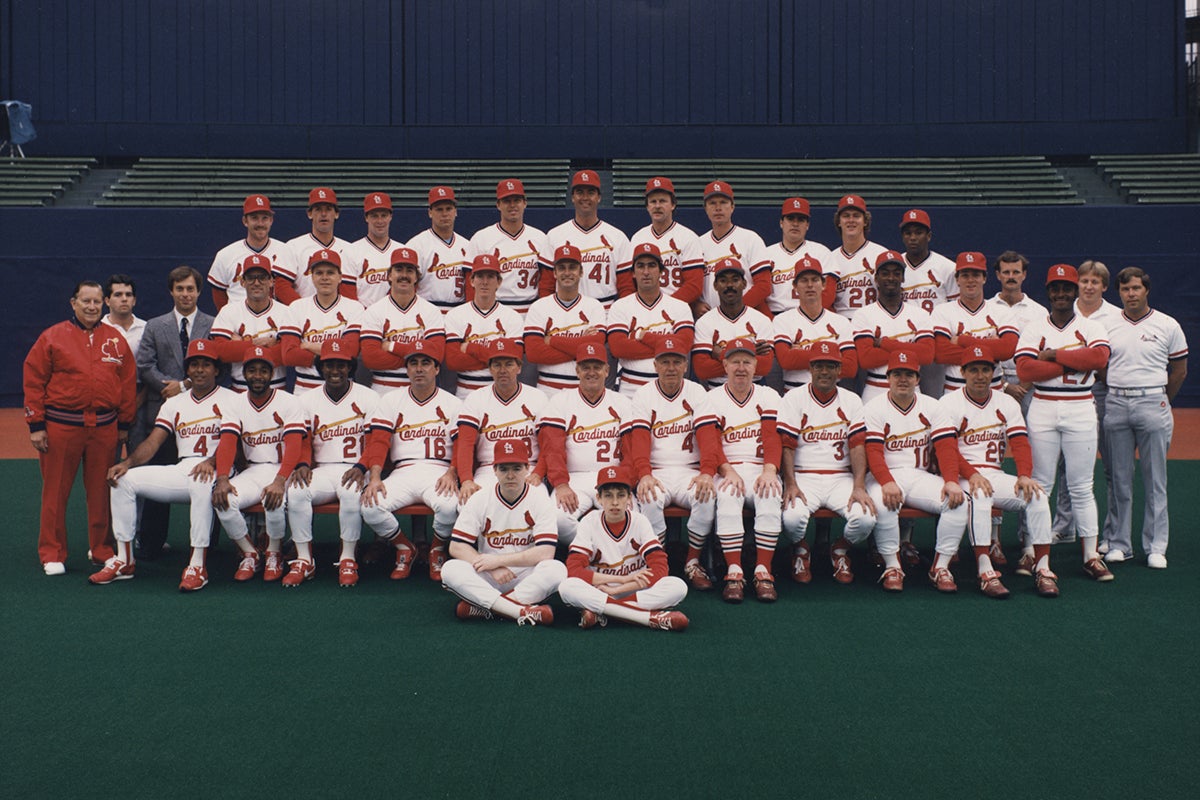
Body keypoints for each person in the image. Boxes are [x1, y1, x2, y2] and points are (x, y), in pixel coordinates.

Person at [90, 339, 237, 591]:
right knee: (122, 481)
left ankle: (197, 565)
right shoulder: (174, 402)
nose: (200, 370)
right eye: (194, 365)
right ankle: (125, 560)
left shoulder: (233, 399)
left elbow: (239, 444)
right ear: (187, 370)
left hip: (221, 468)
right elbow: (153, 442)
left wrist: (212, 461)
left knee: (201, 481)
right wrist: (128, 463)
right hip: (184, 467)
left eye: (206, 365)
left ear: (216, 370)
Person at [24, 280, 137, 575]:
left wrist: (124, 423)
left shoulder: (115, 339)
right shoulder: (52, 337)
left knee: (102, 492)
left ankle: (101, 550)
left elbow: (127, 383)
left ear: (104, 304)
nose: (91, 306)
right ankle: (52, 553)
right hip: (61, 426)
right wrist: (36, 424)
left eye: (97, 301)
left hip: (104, 427)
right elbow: (34, 380)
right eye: (85, 301)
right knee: (55, 492)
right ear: (73, 303)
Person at [1014, 264, 1113, 582]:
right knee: (1040, 484)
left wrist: (1053, 355)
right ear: (1048, 291)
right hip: (1043, 406)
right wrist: (1073, 361)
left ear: (1075, 291)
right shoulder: (1034, 327)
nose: (1061, 293)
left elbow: (1098, 360)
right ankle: (1032, 550)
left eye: (1066, 288)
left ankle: (1090, 555)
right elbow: (1026, 371)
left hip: (1080, 405)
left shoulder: (1092, 326)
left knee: (1082, 486)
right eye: (1055, 288)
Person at [938, 345, 1058, 598]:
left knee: (1038, 495)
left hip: (994, 474)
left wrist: (1024, 475)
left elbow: (1020, 443)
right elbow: (946, 449)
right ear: (963, 372)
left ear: (993, 373)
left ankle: (1043, 568)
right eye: (974, 370)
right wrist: (971, 474)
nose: (980, 376)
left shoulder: (1006, 402)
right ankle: (985, 570)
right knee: (980, 496)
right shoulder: (948, 402)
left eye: (985, 370)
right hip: (961, 476)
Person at [861, 351, 968, 592]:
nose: (903, 379)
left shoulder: (932, 406)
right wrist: (886, 481)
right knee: (884, 502)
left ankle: (940, 567)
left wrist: (951, 480)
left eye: (909, 374)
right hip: (882, 476)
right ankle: (892, 567)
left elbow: (946, 448)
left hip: (919, 476)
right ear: (888, 377)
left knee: (958, 501)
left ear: (917, 379)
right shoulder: (873, 407)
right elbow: (873, 451)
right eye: (897, 374)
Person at [1102, 267, 1188, 568]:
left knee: (1155, 480)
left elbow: (1179, 371)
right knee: (1120, 480)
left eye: (1136, 288)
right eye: (1125, 289)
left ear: (1146, 290)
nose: (1131, 294)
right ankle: (1119, 544)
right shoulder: (1107, 325)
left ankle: (1156, 547)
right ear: (1119, 292)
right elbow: (1101, 367)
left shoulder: (1167, 324)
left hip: (1153, 401)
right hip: (1116, 403)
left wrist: (1161, 399)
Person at [361, 341, 462, 582]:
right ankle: (405, 547)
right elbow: (379, 442)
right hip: (403, 471)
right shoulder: (391, 400)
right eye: (413, 363)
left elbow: (462, 445)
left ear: (437, 369)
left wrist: (452, 473)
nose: (419, 369)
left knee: (450, 507)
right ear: (406, 369)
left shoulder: (453, 403)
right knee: (369, 506)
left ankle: (437, 549)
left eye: (426, 363)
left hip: (438, 471)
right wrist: (374, 477)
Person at [777, 342, 876, 585]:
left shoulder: (851, 400)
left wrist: (859, 485)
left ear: (839, 370)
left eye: (830, 366)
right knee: (791, 519)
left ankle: (840, 549)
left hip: (840, 477)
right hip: (803, 476)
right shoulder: (794, 398)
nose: (824, 371)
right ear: (810, 369)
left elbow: (857, 445)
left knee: (866, 518)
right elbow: (787, 445)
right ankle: (800, 549)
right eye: (819, 366)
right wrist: (790, 483)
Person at [283, 340, 380, 587]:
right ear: (320, 368)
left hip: (356, 467)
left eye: (341, 365)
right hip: (324, 469)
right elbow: (304, 440)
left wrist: (361, 467)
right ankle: (304, 559)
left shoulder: (369, 396)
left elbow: (375, 442)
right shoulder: (306, 399)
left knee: (350, 493)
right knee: (297, 490)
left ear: (350, 367)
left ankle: (347, 558)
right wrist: (303, 464)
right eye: (329, 365)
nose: (335, 370)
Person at [134, 266, 215, 558]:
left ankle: (210, 545)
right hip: (164, 413)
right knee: (160, 477)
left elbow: (219, 364)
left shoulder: (213, 324)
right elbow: (145, 365)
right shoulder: (155, 326)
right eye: (179, 289)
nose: (185, 294)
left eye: (190, 289)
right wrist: (168, 387)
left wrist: (184, 385)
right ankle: (151, 542)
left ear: (199, 291)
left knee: (209, 478)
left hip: (204, 416)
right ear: (171, 291)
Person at [628, 337, 722, 589]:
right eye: (665, 362)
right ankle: (657, 564)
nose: (671, 368)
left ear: (685, 365)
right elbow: (639, 441)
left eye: (677, 362)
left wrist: (707, 472)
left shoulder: (696, 392)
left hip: (689, 471)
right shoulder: (644, 394)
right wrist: (644, 474)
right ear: (655, 365)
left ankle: (692, 561)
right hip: (656, 471)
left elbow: (708, 438)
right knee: (649, 497)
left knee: (706, 496)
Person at [441, 439, 566, 625]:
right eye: (504, 469)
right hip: (489, 574)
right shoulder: (480, 498)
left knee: (557, 569)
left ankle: (488, 608)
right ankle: (520, 611)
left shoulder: (539, 499)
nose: (510, 475)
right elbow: (457, 546)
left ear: (527, 469)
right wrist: (493, 567)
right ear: (494, 470)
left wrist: (499, 561)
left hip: (525, 574)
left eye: (516, 468)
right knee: (450, 569)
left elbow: (546, 552)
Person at [211, 346, 305, 582]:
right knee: (223, 500)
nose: (258, 376)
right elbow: (227, 442)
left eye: (263, 370)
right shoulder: (235, 403)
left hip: (281, 469)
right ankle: (250, 553)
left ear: (272, 374)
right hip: (253, 470)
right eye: (252, 370)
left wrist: (280, 480)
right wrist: (222, 478)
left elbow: (294, 445)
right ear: (244, 373)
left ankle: (274, 553)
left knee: (273, 499)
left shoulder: (289, 401)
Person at [558, 465, 689, 631]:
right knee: (567, 587)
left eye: (621, 495)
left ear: (629, 498)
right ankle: (647, 618)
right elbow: (574, 569)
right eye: (608, 495)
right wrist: (623, 579)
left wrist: (620, 589)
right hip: (600, 588)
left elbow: (660, 568)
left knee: (678, 586)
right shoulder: (589, 522)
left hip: (632, 589)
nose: (615, 502)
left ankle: (604, 611)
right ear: (599, 498)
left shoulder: (639, 521)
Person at [1053, 259, 1123, 546]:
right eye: (1084, 281)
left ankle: (1112, 533)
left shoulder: (1116, 316)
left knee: (1111, 465)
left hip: (1104, 391)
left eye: (1095, 281)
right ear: (1076, 285)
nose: (1089, 286)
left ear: (1104, 286)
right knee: (1066, 464)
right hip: (1067, 392)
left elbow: (1105, 359)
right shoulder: (1062, 311)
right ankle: (1064, 526)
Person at [708, 339, 784, 603]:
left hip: (761, 468)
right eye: (735, 362)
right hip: (727, 469)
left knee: (770, 494)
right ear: (725, 365)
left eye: (747, 362)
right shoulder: (712, 398)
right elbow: (711, 443)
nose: (741, 368)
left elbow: (773, 438)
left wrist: (770, 470)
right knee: (728, 495)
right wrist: (726, 470)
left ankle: (763, 570)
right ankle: (734, 571)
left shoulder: (768, 395)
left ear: (755, 366)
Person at [537, 342, 634, 545]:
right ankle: (595, 549)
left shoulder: (622, 402)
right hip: (574, 479)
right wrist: (561, 485)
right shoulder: (561, 401)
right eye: (585, 367)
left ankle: (603, 554)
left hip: (613, 479)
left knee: (633, 518)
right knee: (558, 520)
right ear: (577, 370)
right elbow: (552, 450)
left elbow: (631, 452)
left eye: (597, 367)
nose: (591, 372)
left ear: (607, 370)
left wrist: (625, 484)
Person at [454, 338, 549, 502]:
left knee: (541, 505)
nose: (503, 370)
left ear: (519, 367)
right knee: (466, 504)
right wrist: (466, 480)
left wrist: (538, 473)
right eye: (497, 365)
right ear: (490, 368)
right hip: (488, 469)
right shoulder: (476, 398)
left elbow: (549, 444)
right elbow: (465, 444)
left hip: (527, 468)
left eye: (509, 364)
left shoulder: (538, 397)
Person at [607, 242, 695, 397]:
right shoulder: (620, 306)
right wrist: (669, 346)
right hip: (630, 389)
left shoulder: (680, 306)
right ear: (633, 273)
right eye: (640, 266)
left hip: (671, 389)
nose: (646, 272)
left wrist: (644, 337)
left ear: (661, 271)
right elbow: (618, 348)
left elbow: (685, 344)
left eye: (652, 266)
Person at [358, 246, 446, 391]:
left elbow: (437, 355)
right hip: (383, 388)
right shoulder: (374, 311)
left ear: (416, 277)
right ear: (389, 275)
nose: (404, 275)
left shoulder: (431, 311)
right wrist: (420, 359)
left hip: (420, 389)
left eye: (409, 271)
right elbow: (370, 358)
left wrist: (392, 347)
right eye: (399, 270)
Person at [930, 251, 1017, 395]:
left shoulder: (1002, 311)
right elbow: (941, 353)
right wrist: (992, 349)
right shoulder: (942, 311)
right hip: (955, 392)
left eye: (976, 275)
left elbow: (1007, 349)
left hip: (994, 391)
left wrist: (962, 341)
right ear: (957, 279)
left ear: (984, 278)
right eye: (965, 275)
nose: (970, 280)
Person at [852, 251, 935, 402]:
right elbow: (866, 359)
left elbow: (926, 355)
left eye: (896, 273)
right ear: (876, 278)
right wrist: (910, 350)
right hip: (876, 388)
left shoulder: (920, 314)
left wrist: (884, 344)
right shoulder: (863, 314)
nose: (891, 278)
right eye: (885, 273)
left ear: (903, 278)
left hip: (912, 389)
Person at [279, 249, 365, 393]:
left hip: (344, 389)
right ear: (312, 277)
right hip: (305, 388)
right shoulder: (297, 307)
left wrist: (308, 346)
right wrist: (336, 354)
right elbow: (289, 355)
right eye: (319, 273)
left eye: (330, 273)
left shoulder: (354, 307)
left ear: (340, 277)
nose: (325, 278)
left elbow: (351, 352)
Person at [523, 244, 607, 391]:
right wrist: (581, 347)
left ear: (581, 272)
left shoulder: (594, 306)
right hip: (548, 388)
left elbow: (597, 344)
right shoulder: (539, 306)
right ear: (554, 273)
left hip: (584, 389)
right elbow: (533, 353)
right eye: (562, 268)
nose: (567, 273)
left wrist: (552, 340)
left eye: (572, 268)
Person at [443, 253, 524, 398]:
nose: (485, 282)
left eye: (490, 277)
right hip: (465, 393)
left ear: (499, 282)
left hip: (502, 392)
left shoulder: (512, 317)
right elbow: (453, 361)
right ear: (472, 280)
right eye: (480, 276)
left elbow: (515, 359)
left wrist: (471, 348)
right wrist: (499, 360)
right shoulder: (455, 315)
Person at [544, 170, 629, 309]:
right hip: (566, 309)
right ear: (572, 197)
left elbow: (626, 287)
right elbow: (546, 285)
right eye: (580, 192)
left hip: (606, 309)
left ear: (599, 197)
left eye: (590, 192)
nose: (585, 197)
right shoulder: (554, 235)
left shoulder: (617, 237)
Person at [772, 255, 857, 392]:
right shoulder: (782, 320)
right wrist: (833, 356)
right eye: (804, 280)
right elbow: (786, 361)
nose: (810, 285)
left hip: (831, 393)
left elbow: (851, 367)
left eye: (815, 280)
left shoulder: (841, 322)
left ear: (823, 284)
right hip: (794, 392)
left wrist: (799, 354)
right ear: (795, 286)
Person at [208, 254, 292, 392]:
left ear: (271, 281)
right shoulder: (229, 311)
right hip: (239, 391)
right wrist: (256, 344)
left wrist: (240, 345)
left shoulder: (286, 312)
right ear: (242, 282)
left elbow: (288, 353)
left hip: (277, 390)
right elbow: (219, 351)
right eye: (251, 278)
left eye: (262, 277)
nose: (257, 283)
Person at [467, 179, 551, 315]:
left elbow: (547, 282)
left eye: (517, 200)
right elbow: (470, 283)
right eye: (507, 201)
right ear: (498, 205)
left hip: (531, 310)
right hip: (495, 309)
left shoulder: (540, 238)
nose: (512, 205)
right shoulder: (481, 238)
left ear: (525, 203)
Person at [618, 176, 704, 303]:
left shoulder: (688, 237)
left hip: (677, 308)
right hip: (644, 307)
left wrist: (665, 307)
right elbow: (629, 282)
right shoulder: (638, 238)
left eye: (663, 201)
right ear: (647, 206)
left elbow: (694, 286)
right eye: (653, 201)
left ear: (673, 205)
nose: (657, 206)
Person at [691, 258, 775, 388]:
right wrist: (751, 353)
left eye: (735, 280)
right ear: (715, 285)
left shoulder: (761, 320)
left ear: (744, 283)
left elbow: (765, 367)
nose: (729, 285)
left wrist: (721, 354)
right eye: (723, 280)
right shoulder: (704, 322)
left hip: (754, 389)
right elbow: (702, 370)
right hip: (716, 390)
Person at [207, 193, 297, 310]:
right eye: (254, 218)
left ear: (271, 220)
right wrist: (231, 316)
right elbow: (219, 295)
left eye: (265, 218)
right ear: (245, 221)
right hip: (237, 318)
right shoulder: (225, 254)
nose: (260, 223)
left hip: (274, 318)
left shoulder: (285, 251)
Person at [695, 181, 771, 317]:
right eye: (712, 203)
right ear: (705, 208)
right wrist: (695, 304)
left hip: (747, 315)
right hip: (709, 319)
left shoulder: (750, 239)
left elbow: (764, 286)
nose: (718, 208)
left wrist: (734, 310)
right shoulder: (697, 243)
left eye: (723, 202)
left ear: (732, 207)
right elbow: (692, 284)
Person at [985, 251, 1047, 413]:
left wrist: (1023, 387)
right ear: (998, 275)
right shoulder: (986, 308)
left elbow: (1044, 353)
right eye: (1006, 272)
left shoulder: (1039, 312)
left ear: (1024, 274)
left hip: (1029, 385)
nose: (1011, 277)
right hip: (993, 381)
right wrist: (1004, 385)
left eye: (1016, 272)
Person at [278, 187, 354, 302]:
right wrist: (302, 309)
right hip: (302, 312)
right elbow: (281, 287)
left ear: (336, 214)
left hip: (339, 311)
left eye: (328, 209)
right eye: (318, 209)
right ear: (309, 214)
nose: (323, 214)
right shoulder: (293, 246)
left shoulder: (349, 249)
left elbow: (350, 290)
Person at [407, 186, 474, 312]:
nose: (444, 214)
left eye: (448, 209)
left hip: (459, 312)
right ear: (430, 213)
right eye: (439, 209)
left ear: (455, 211)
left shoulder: (467, 246)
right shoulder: (416, 245)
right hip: (427, 311)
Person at [764, 197, 832, 317]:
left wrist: (812, 317)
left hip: (810, 314)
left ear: (807, 225)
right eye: (790, 219)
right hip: (775, 314)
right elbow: (760, 294)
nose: (795, 224)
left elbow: (829, 292)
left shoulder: (821, 252)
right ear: (781, 223)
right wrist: (770, 320)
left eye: (801, 220)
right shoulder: (766, 254)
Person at [824, 194, 889, 320]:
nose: (851, 220)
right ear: (839, 222)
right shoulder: (830, 258)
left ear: (865, 221)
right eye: (846, 216)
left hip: (873, 320)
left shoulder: (880, 254)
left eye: (856, 216)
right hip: (841, 323)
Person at [345, 192, 402, 308]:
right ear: (366, 217)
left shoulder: (402, 251)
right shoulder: (351, 251)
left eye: (384, 215)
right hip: (362, 315)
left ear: (390, 217)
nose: (380, 221)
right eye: (374, 216)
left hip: (396, 315)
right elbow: (347, 294)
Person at [898, 209, 958, 313]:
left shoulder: (947, 267)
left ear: (929, 236)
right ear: (903, 237)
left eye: (918, 233)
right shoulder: (894, 267)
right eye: (908, 233)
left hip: (936, 323)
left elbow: (956, 308)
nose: (913, 238)